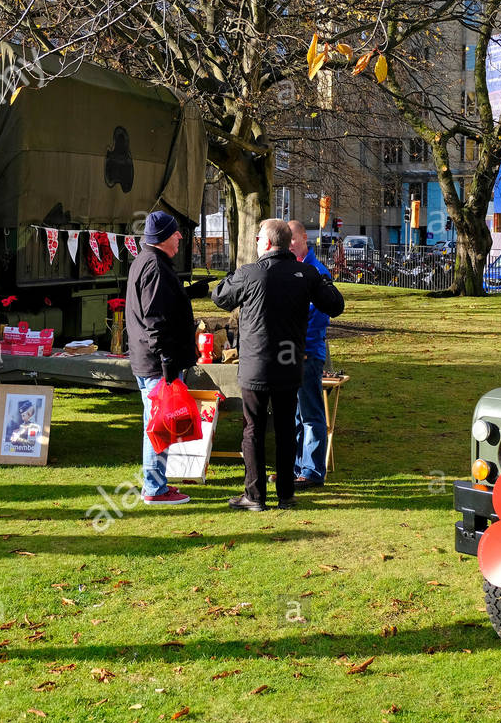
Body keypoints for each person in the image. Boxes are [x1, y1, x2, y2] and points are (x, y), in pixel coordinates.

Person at [212, 218, 344, 511]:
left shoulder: (250, 274)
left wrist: (238, 277)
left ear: (268, 243)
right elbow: (335, 304)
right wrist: (321, 282)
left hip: (256, 365)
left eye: (258, 238)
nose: (256, 241)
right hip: (288, 363)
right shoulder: (306, 273)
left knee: (253, 429)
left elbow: (219, 296)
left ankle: (255, 495)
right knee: (286, 428)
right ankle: (285, 494)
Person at [126, 210, 198, 505]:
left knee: (158, 423)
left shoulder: (148, 261)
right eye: (176, 232)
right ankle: (154, 488)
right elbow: (155, 319)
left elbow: (160, 305)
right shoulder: (154, 266)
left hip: (151, 360)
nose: (180, 236)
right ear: (164, 237)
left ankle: (156, 483)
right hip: (157, 363)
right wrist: (168, 361)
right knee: (159, 425)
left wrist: (190, 293)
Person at [288, 220, 332, 489]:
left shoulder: (317, 271)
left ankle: (313, 471)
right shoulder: (292, 269)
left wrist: (303, 349)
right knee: (296, 414)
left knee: (311, 412)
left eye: (292, 238)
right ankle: (296, 468)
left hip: (307, 353)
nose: (289, 244)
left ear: (305, 237)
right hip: (292, 352)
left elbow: (318, 317)